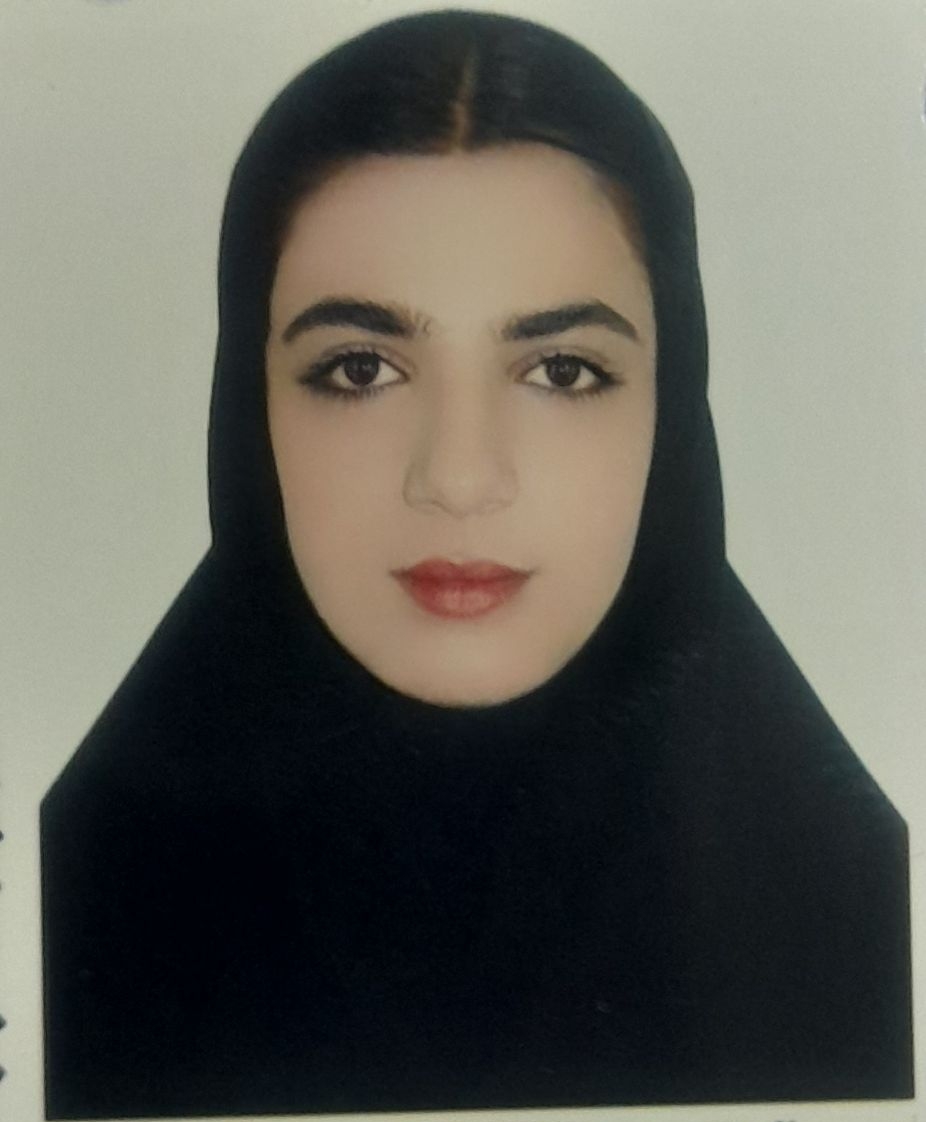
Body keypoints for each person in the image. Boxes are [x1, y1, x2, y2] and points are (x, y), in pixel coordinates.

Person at [40, 10, 912, 1118]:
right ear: (249, 410)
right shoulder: (66, 905)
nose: (457, 478)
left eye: (561, 370)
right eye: (360, 369)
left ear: (671, 410)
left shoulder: (858, 921)